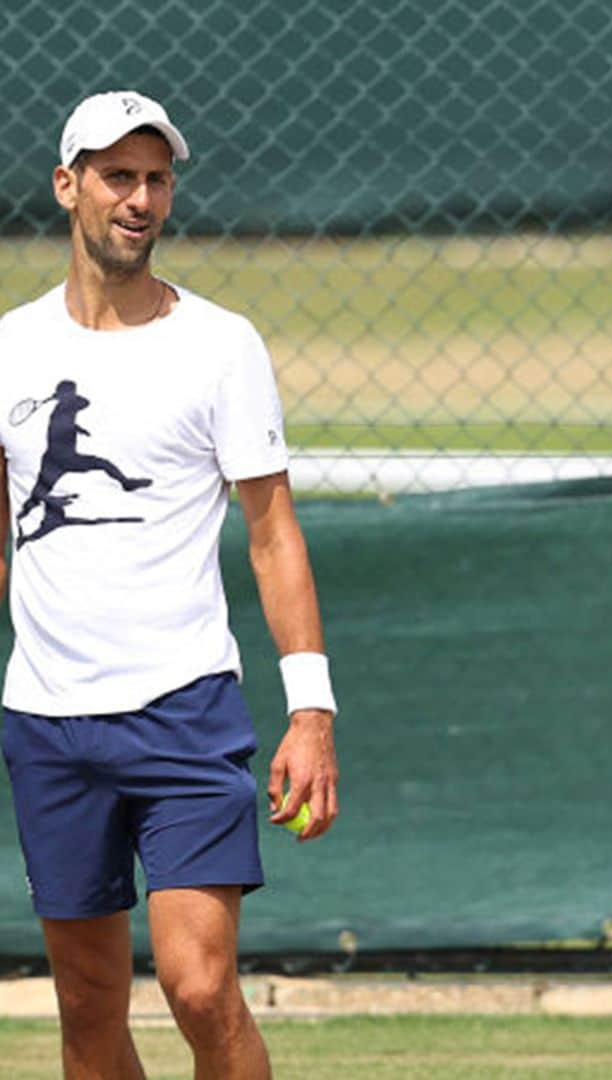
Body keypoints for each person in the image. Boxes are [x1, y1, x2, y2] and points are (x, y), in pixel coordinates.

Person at [0, 90, 340, 1079]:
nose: (140, 197)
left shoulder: (221, 345)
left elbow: (273, 533)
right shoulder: (10, 345)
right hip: (48, 725)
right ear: (68, 188)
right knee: (88, 1007)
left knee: (199, 988)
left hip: (185, 712)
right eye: (117, 175)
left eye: (156, 178)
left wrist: (311, 711)